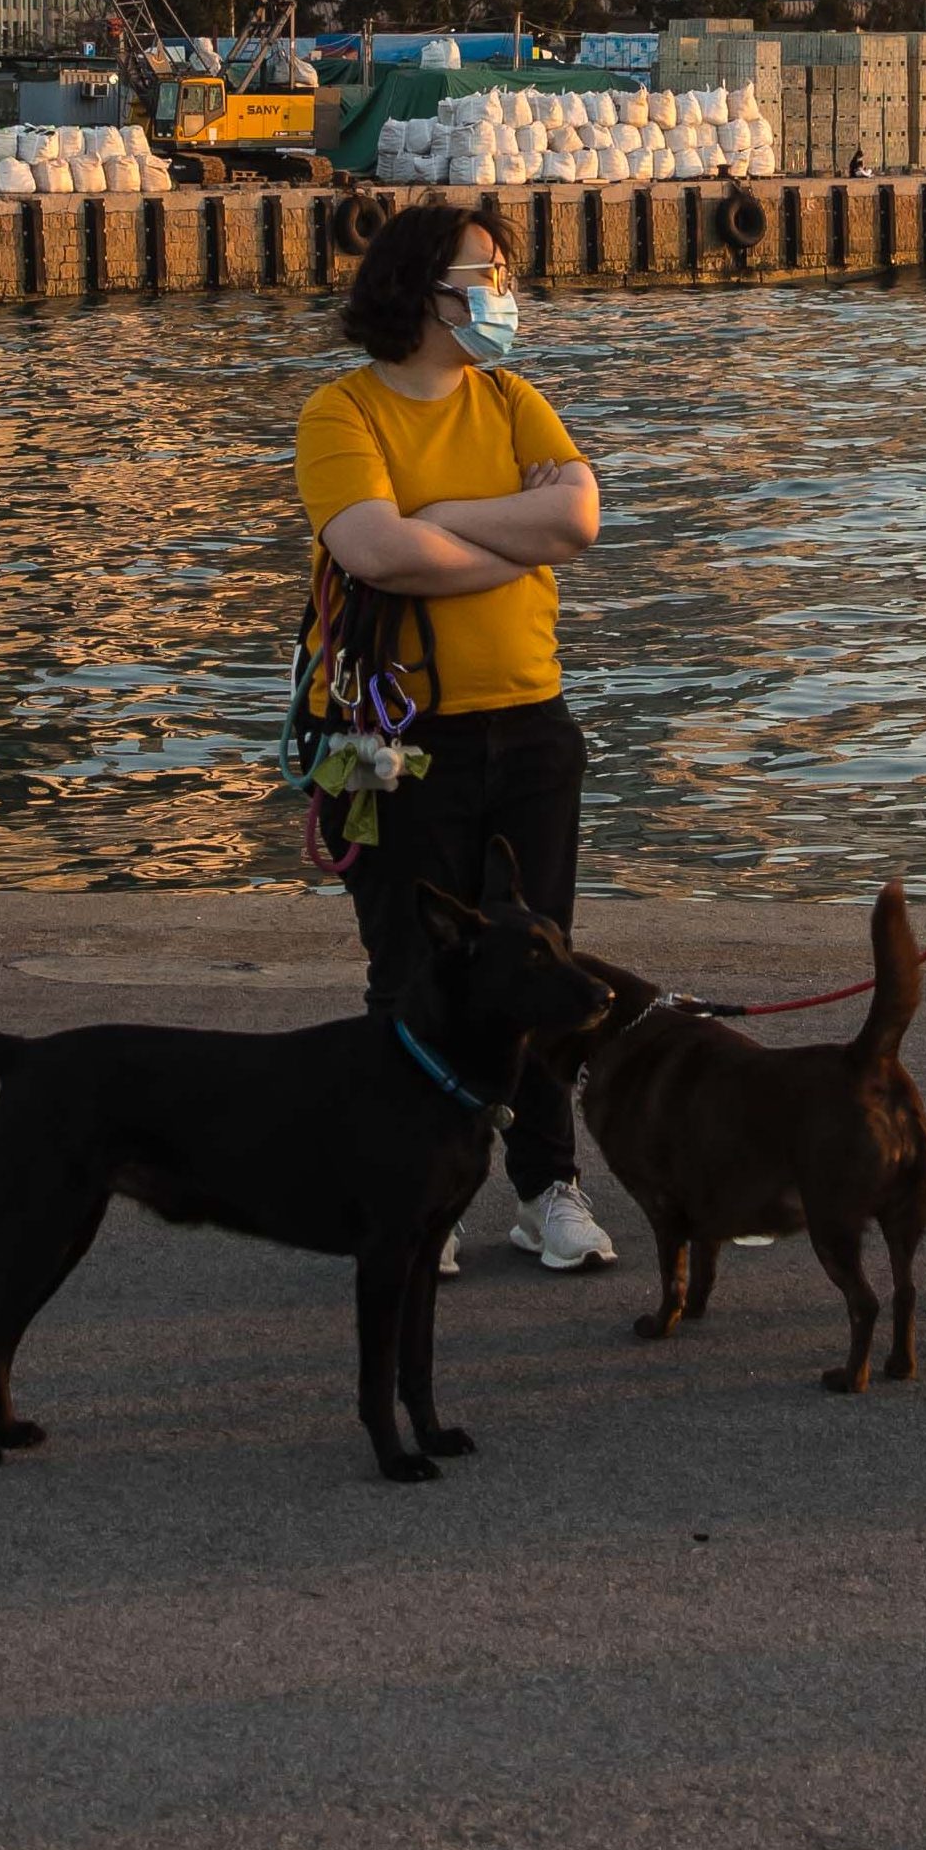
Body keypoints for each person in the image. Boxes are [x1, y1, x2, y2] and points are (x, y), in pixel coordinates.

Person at [294, 203, 617, 1270]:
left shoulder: (513, 397)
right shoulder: (341, 415)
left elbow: (576, 522)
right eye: (484, 273)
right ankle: (409, 1188)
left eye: (504, 271)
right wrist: (506, 534)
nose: (502, 292)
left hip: (530, 723)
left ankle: (547, 1185)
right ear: (421, 290)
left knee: (538, 966)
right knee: (408, 968)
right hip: (399, 734)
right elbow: (376, 550)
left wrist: (444, 521)